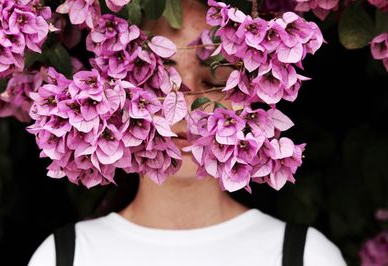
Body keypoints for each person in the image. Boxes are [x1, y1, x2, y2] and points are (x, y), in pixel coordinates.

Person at [28, 0, 347, 265]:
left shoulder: (308, 256)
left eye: (213, 81)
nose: (186, 105)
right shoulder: (64, 256)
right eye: (161, 79)